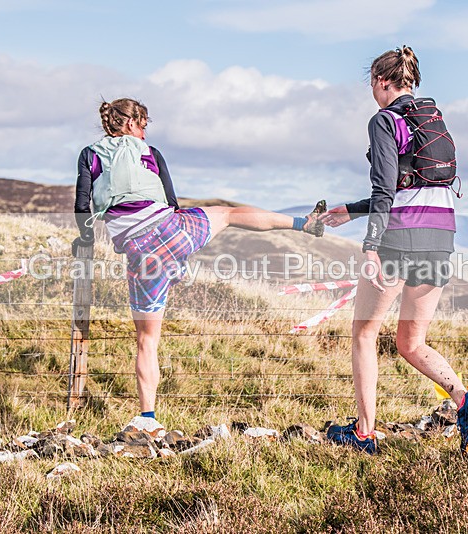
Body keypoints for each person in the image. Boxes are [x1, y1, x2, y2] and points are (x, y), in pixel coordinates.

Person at [74, 97, 326, 424]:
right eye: (144, 126)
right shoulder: (151, 153)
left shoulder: (90, 155)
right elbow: (172, 203)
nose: (145, 134)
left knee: (146, 341)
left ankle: (148, 418)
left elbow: (82, 208)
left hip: (140, 252)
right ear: (132, 123)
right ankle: (304, 223)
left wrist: (85, 239)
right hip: (173, 231)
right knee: (229, 214)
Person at [319, 46, 468, 456]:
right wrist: (353, 210)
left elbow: (384, 187)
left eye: (371, 85)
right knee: (411, 342)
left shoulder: (385, 120)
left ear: (381, 81)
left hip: (399, 240)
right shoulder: (432, 120)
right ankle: (466, 401)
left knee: (364, 332)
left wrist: (371, 246)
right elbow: (408, 189)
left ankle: (363, 434)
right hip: (440, 238)